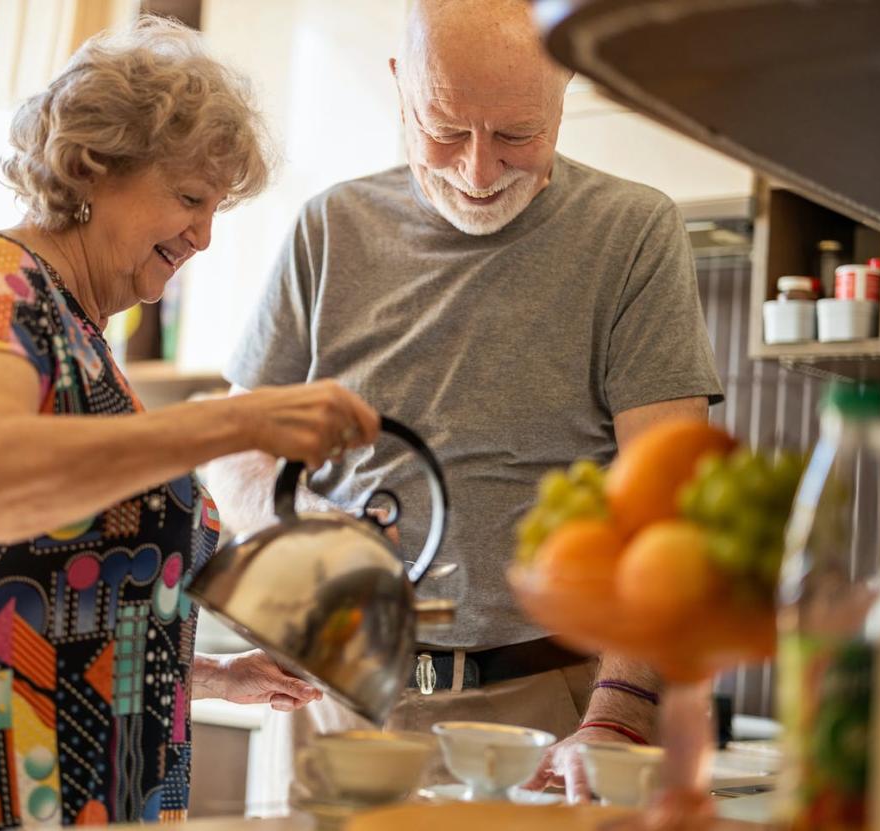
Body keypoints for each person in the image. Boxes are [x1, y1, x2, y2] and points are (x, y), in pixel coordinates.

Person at [0, 18, 380, 830]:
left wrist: (206, 673)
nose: (205, 234)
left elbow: (44, 592)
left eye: (217, 207)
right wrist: (231, 422)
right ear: (91, 167)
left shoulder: (81, 337)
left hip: (64, 789)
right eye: (189, 197)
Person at [204, 0, 723, 805]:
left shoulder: (631, 233)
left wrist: (618, 710)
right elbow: (235, 446)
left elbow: (668, 494)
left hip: (553, 708)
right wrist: (308, 541)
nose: (477, 171)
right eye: (444, 128)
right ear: (398, 85)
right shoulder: (329, 229)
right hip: (342, 699)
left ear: (564, 87)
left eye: (516, 133)